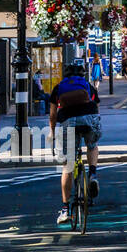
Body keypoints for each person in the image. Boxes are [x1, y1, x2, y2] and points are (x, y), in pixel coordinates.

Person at [49, 63, 102, 226]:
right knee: (92, 145)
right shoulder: (88, 86)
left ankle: (65, 209)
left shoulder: (58, 88)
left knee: (67, 166)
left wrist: (52, 132)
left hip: (68, 121)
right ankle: (92, 174)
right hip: (88, 117)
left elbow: (53, 115)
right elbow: (96, 110)